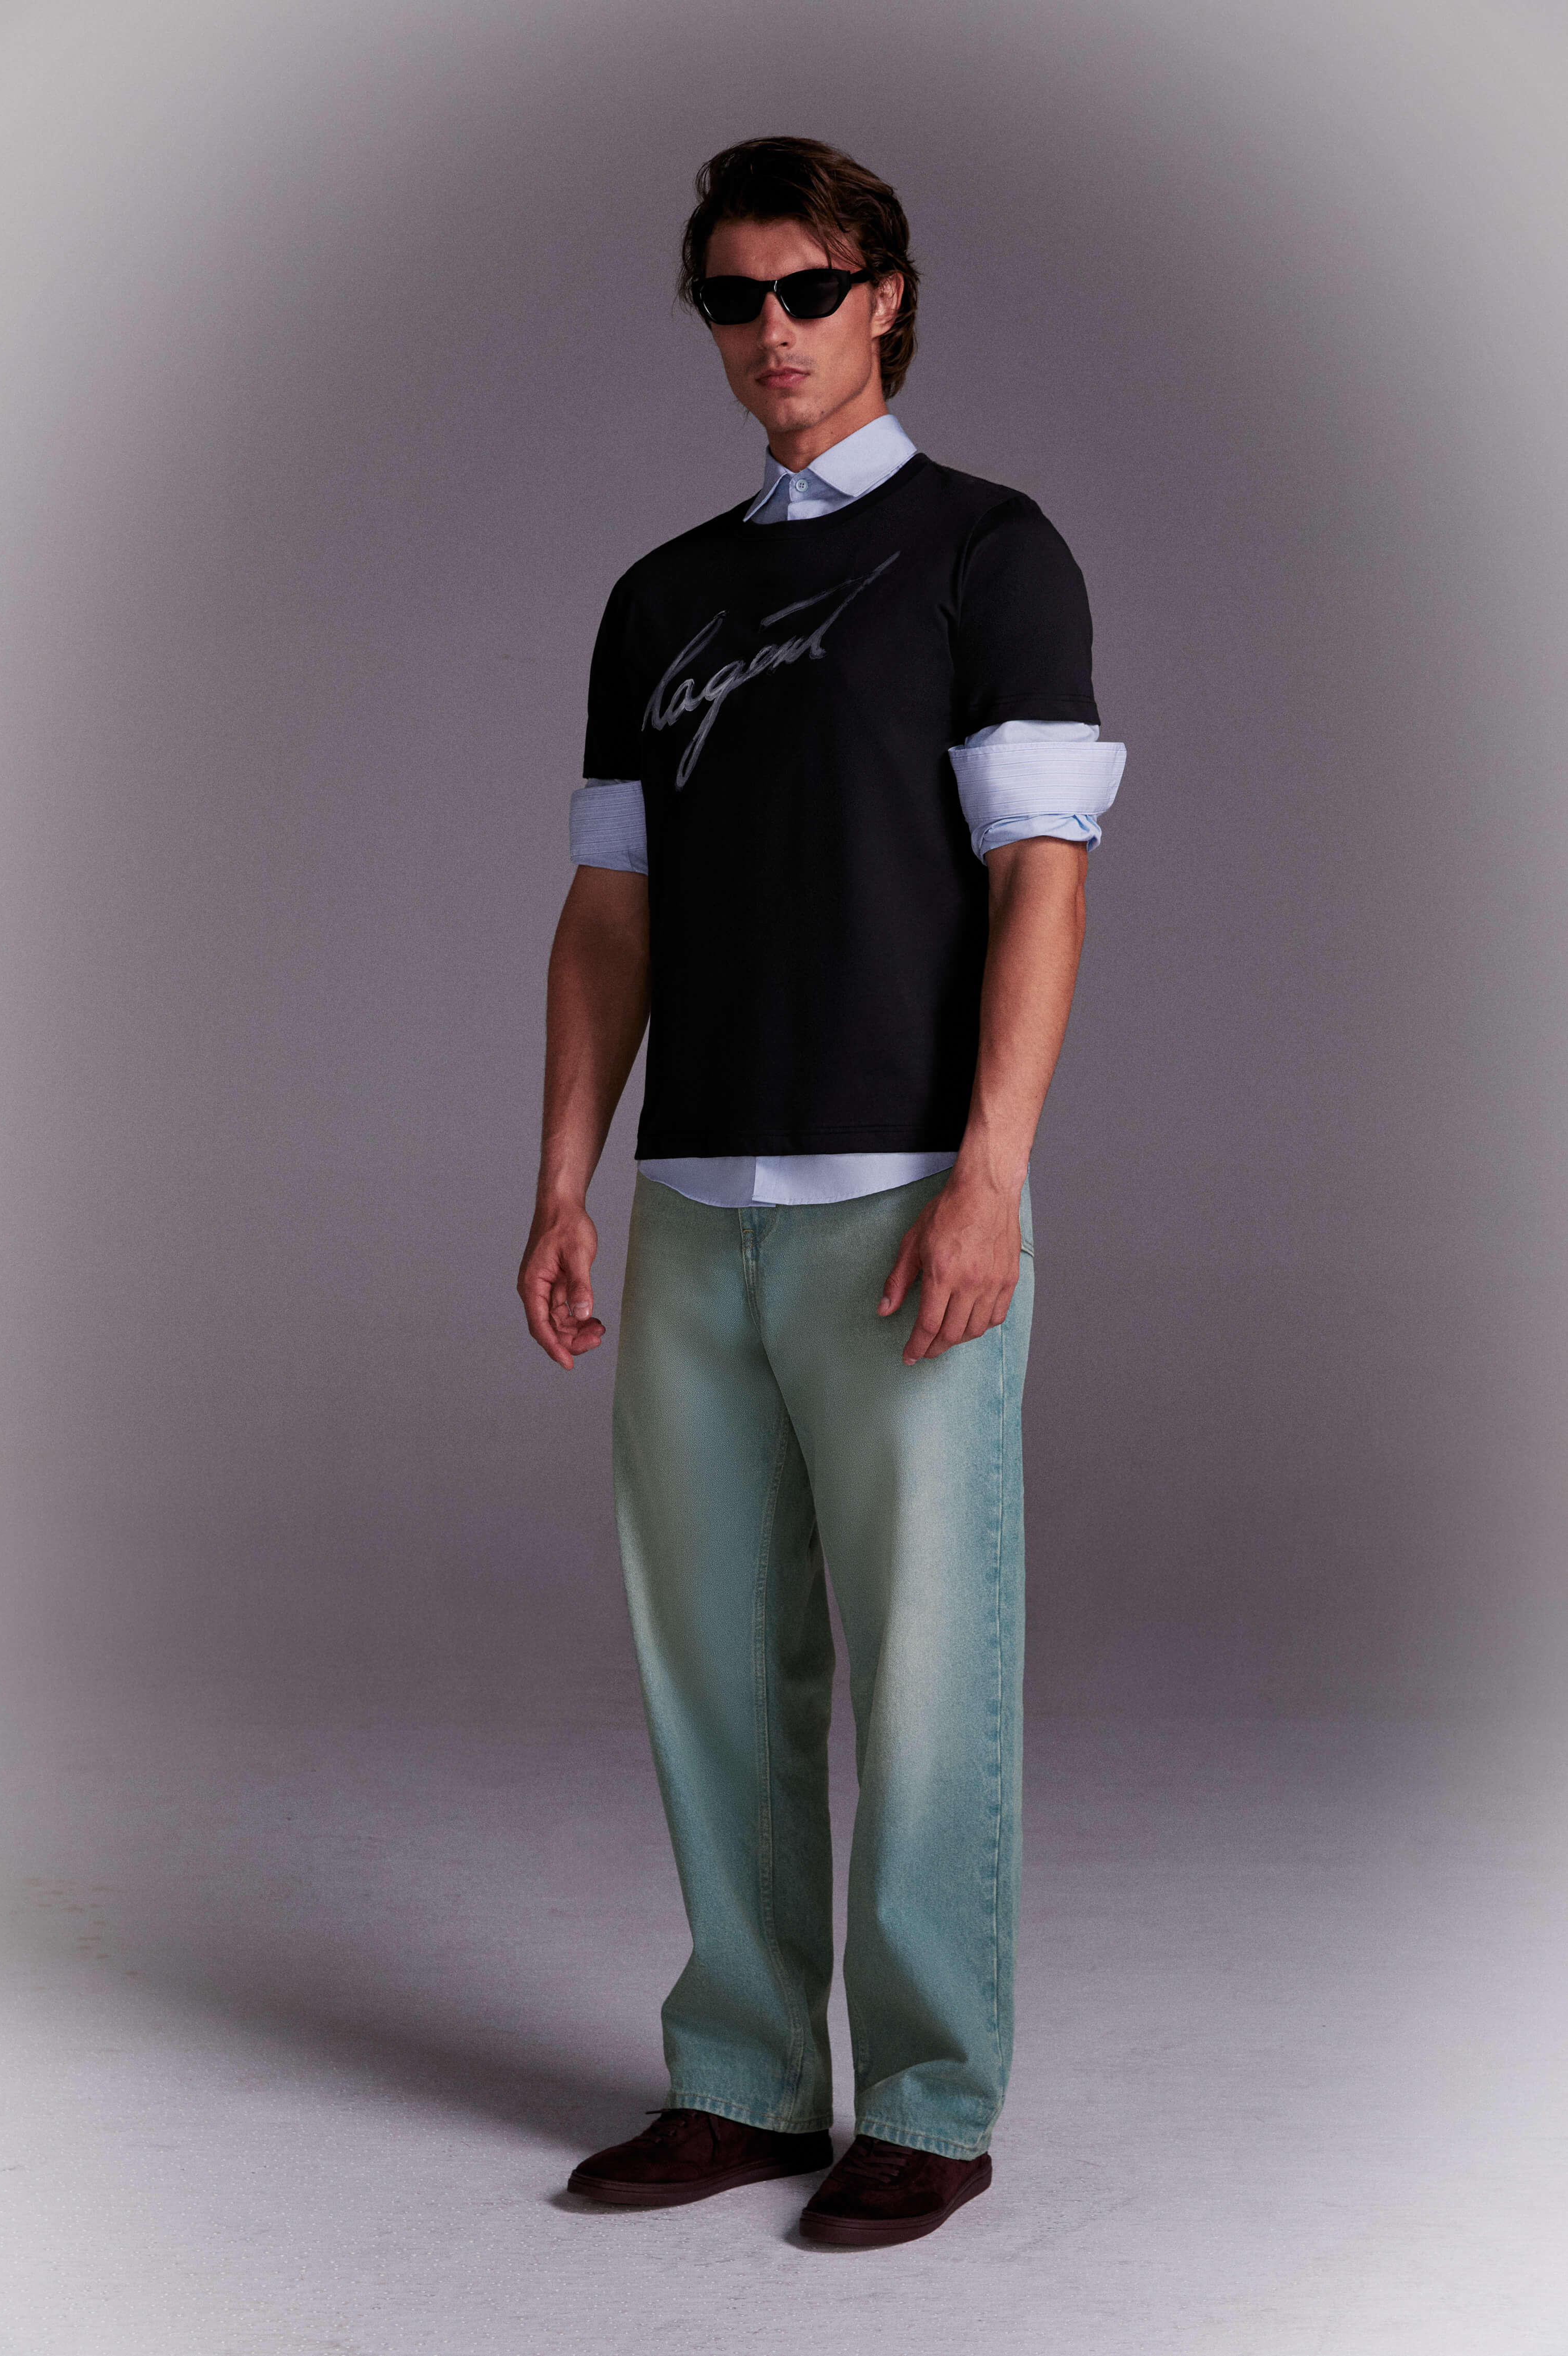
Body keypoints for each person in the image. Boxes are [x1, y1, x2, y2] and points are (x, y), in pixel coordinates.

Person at [517, 134, 1124, 2249]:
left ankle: (932, 2103)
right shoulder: (659, 598)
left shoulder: (987, 554)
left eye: (806, 288)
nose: (768, 329)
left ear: (884, 296)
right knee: (713, 1662)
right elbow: (610, 912)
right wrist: (565, 1179)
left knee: (931, 1674)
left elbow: (1040, 884)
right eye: (730, 296)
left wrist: (992, 1178)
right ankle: (748, 2076)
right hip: (696, 1203)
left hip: (901, 1203)